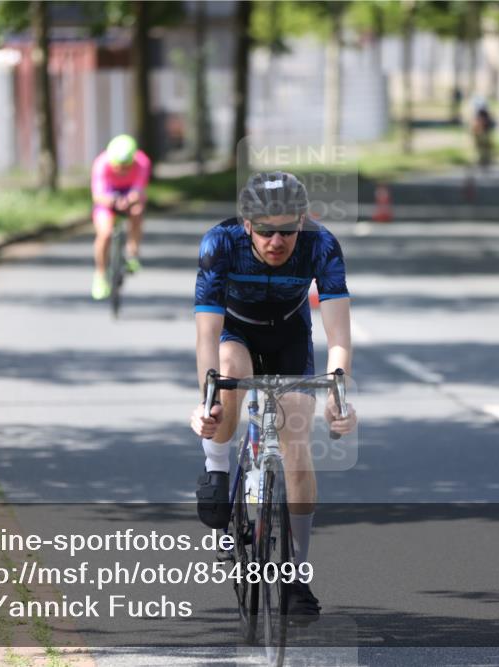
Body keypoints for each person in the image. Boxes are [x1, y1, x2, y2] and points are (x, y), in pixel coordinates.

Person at [189, 171, 358, 623]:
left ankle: (296, 576)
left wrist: (338, 395)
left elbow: (338, 336)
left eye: (287, 230)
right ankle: (217, 465)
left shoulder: (321, 245)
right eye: (265, 230)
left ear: (302, 222)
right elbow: (206, 335)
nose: (276, 241)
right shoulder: (220, 243)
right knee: (229, 374)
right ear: (247, 224)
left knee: (296, 447)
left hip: (289, 336)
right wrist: (207, 400)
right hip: (235, 331)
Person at [90, 134, 151, 300]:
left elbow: (138, 190)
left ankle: (133, 253)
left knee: (137, 211)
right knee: (105, 233)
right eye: (117, 166)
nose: (121, 171)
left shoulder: (142, 162)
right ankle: (100, 274)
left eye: (126, 167)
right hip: (107, 197)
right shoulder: (101, 164)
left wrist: (129, 200)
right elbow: (97, 196)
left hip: (130, 195)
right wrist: (114, 201)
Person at [471, 98, 495, 170]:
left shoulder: (485, 114)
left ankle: (486, 160)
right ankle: (483, 160)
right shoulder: (480, 114)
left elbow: (488, 124)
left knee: (485, 147)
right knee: (481, 147)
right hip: (481, 132)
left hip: (485, 132)